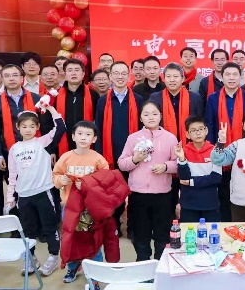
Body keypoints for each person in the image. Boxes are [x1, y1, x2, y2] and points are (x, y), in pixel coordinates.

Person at [53, 121, 122, 282]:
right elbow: (55, 176)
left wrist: (88, 185)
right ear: (73, 137)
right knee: (72, 239)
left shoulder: (98, 159)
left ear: (94, 139)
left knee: (93, 240)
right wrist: (61, 180)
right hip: (70, 207)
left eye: (88, 134)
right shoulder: (66, 157)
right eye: (80, 134)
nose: (83, 138)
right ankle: (72, 267)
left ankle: (96, 273)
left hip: (92, 207)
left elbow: (106, 182)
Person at [4, 107, 67, 276]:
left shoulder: (43, 142)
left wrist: (51, 109)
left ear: (38, 127)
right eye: (24, 126)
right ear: (18, 127)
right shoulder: (14, 149)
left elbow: (61, 128)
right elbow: (12, 175)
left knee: (49, 227)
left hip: (43, 193)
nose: (28, 130)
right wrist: (10, 197)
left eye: (32, 126)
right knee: (28, 230)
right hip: (24, 196)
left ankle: (53, 257)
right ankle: (31, 259)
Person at [118, 102, 179, 260]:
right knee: (140, 234)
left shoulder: (170, 138)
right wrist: (135, 159)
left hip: (163, 195)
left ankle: (160, 263)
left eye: (154, 113)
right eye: (146, 114)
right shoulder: (133, 138)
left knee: (162, 235)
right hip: (138, 195)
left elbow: (178, 164)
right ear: (140, 118)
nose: (150, 117)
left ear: (160, 116)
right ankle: (143, 263)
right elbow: (122, 164)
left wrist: (165, 167)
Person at [205, 62, 245, 220]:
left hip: (244, 154)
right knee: (223, 194)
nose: (231, 78)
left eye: (235, 74)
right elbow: (210, 126)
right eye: (227, 74)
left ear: (241, 77)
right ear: (221, 77)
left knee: (243, 193)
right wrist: (215, 151)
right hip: (221, 154)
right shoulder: (213, 98)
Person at [0, 64, 43, 213]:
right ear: (2, 79)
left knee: (36, 188)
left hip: (35, 152)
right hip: (10, 152)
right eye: (7, 76)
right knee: (15, 188)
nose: (11, 79)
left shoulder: (36, 98)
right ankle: (18, 220)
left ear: (22, 78)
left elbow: (44, 126)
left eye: (15, 75)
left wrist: (49, 150)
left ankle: (36, 221)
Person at [94, 61, 140, 234]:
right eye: (116, 73)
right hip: (110, 154)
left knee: (135, 192)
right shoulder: (102, 101)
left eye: (123, 73)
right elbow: (98, 128)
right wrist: (100, 155)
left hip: (134, 156)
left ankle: (134, 227)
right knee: (113, 193)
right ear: (110, 76)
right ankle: (114, 226)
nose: (120, 77)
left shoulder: (138, 100)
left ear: (129, 76)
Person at [176, 117, 219, 223]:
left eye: (200, 129)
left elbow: (216, 178)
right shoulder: (183, 151)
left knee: (211, 232)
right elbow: (184, 178)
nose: (198, 133)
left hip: (210, 203)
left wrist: (192, 182)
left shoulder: (215, 151)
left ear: (206, 131)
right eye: (193, 130)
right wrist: (182, 158)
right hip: (189, 204)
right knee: (188, 232)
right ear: (187, 134)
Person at [150, 62, 204, 143]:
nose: (172, 80)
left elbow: (200, 123)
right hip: (162, 144)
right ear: (164, 79)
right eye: (168, 76)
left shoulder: (195, 98)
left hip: (190, 144)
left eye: (175, 76)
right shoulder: (155, 98)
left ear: (182, 79)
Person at [55, 58, 99, 150]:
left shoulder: (93, 94)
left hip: (88, 143)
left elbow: (98, 122)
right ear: (65, 74)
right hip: (63, 143)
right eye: (70, 70)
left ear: (83, 74)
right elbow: (51, 125)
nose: (73, 73)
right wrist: (53, 150)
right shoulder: (56, 95)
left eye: (77, 70)